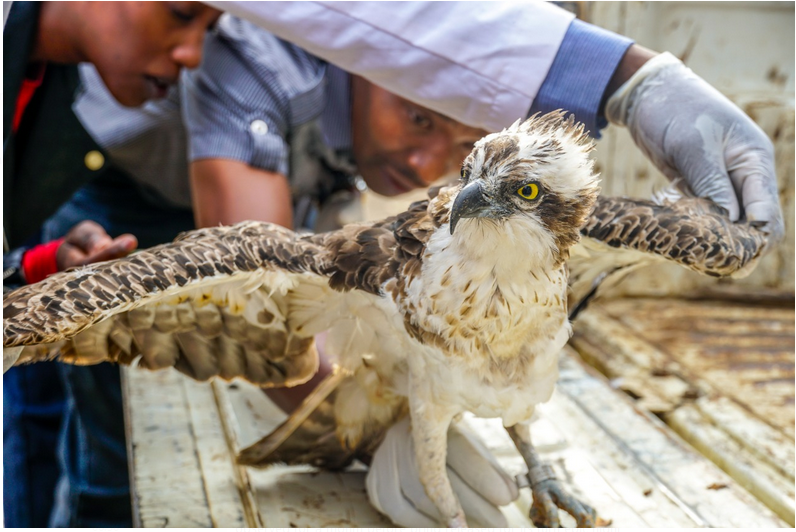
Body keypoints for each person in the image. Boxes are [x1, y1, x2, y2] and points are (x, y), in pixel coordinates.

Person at [13, 1, 785, 527]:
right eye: (420, 116)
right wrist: (373, 420)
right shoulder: (258, 64)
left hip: (293, 193)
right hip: (125, 189)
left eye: (454, 145)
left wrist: (628, 79)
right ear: (374, 72)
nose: (425, 160)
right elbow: (259, 271)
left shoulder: (481, 187)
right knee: (82, 419)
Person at [2, 2, 222, 527]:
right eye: (179, 14)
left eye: (208, 30)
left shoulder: (50, 85)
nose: (192, 54)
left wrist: (43, 266)